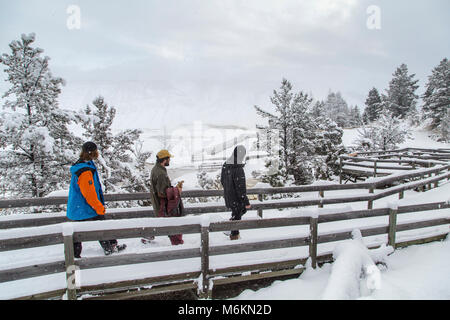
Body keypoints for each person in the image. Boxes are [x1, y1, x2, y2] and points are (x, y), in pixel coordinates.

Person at [67, 141, 126, 258]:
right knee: (93, 228)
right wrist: (98, 206)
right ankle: (73, 257)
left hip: (81, 206)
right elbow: (89, 193)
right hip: (84, 206)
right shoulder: (84, 171)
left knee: (95, 227)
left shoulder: (84, 164)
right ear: (93, 152)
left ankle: (110, 246)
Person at [148, 149, 184, 245]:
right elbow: (162, 193)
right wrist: (177, 190)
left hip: (159, 203)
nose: (169, 161)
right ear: (164, 159)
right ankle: (177, 244)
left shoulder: (156, 169)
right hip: (163, 205)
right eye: (168, 159)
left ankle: (147, 235)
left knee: (164, 222)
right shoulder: (161, 174)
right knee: (172, 224)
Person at [220, 145, 252, 240]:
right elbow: (240, 188)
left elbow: (222, 181)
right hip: (237, 198)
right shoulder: (238, 169)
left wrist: (228, 189)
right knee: (239, 214)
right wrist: (246, 202)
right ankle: (234, 236)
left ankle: (230, 228)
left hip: (228, 196)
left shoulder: (226, 165)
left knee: (236, 214)